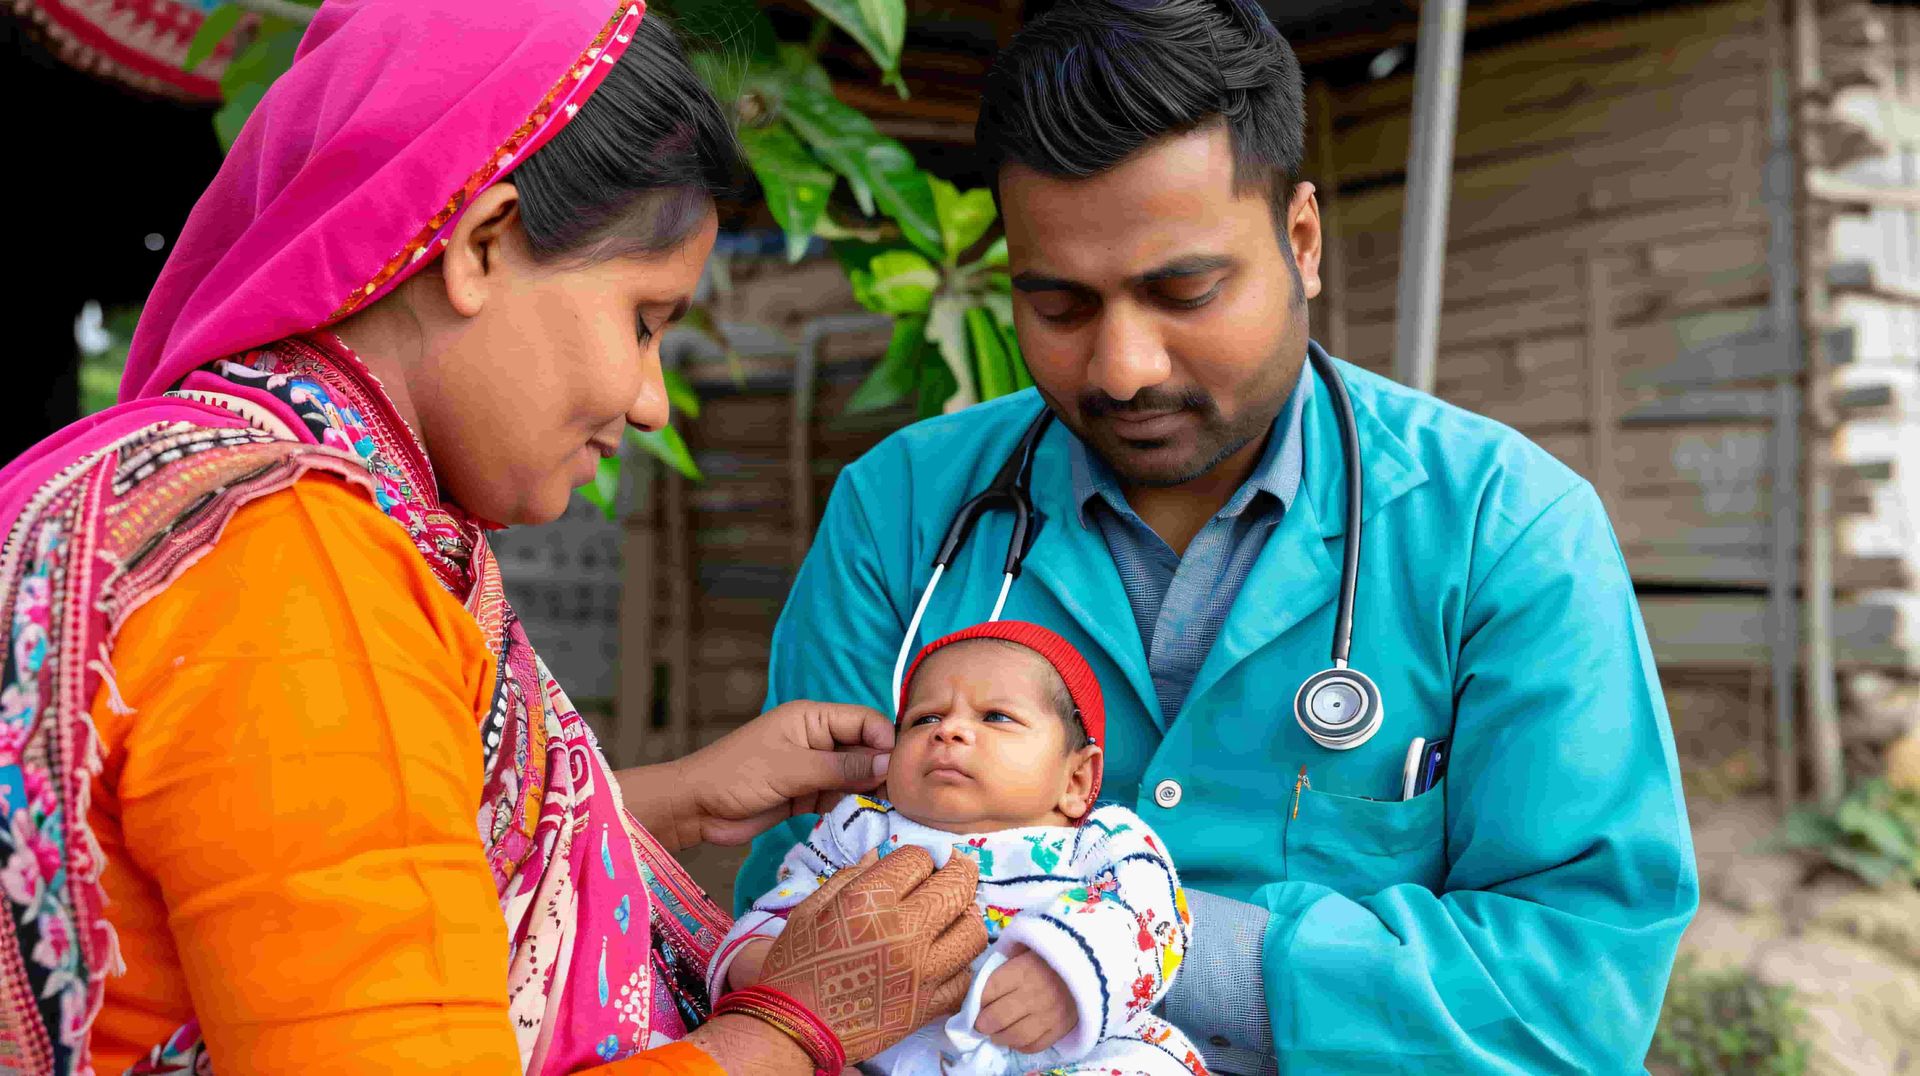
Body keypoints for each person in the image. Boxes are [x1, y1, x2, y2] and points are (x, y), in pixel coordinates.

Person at [0, 1, 987, 1073]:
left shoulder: (180, 489)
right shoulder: (296, 566)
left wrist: (664, 797)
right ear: (479, 245)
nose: (651, 400)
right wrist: (797, 1025)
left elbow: (323, 849)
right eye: (645, 320)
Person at [738, 0, 1700, 1071]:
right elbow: (794, 940)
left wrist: (1123, 944)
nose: (1122, 367)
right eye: (1058, 306)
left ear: (1301, 240)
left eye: (1183, 291)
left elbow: (1573, 993)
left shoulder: (1505, 530)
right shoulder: (903, 513)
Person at [721, 622, 1203, 1076]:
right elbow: (791, 900)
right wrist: (765, 964)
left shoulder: (1104, 841)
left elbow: (1152, 915)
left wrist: (1068, 975)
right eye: (924, 718)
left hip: (1059, 1052)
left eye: (996, 716)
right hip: (886, 1050)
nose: (948, 731)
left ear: (1076, 779)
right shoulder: (861, 828)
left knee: (1154, 1060)